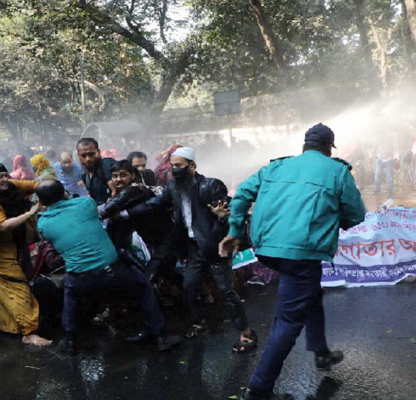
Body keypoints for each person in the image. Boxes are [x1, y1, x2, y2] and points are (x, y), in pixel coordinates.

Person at [220, 123, 366, 400]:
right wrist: (335, 220)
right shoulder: (337, 171)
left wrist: (235, 231)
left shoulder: (276, 167)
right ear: (327, 148)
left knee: (309, 293)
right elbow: (356, 215)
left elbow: (241, 195)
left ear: (304, 146)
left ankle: (322, 353)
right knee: (288, 320)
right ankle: (259, 388)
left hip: (267, 249)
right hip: (301, 253)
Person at [126, 147, 255, 352]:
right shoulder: (173, 188)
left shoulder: (210, 185)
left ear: (192, 165)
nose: (174, 170)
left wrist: (222, 216)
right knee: (189, 286)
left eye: (179, 166)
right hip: (194, 248)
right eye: (172, 166)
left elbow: (233, 215)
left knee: (225, 291)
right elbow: (154, 204)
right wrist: (125, 213)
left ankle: (246, 333)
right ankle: (198, 323)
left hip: (215, 247)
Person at [35, 179, 181, 353]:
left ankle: (69, 340)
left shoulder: (43, 223)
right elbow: (104, 210)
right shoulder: (85, 204)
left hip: (80, 278)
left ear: (41, 202)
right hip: (113, 270)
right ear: (64, 193)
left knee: (70, 295)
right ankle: (159, 336)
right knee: (143, 287)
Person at [0, 162, 51, 346]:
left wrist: (52, 190)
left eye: (6, 175)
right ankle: (29, 332)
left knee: (1, 289)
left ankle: (7, 324)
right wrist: (32, 211)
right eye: (0, 176)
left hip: (11, 243)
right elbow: (2, 225)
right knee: (18, 286)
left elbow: (35, 185)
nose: (5, 180)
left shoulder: (10, 186)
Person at [100, 160, 176, 283]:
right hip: (151, 242)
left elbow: (109, 208)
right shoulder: (120, 194)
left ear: (132, 176)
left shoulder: (136, 190)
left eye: (123, 175)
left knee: (150, 279)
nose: (118, 179)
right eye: (115, 176)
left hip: (165, 240)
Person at [76, 138, 116, 204]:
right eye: (83, 156)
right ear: (78, 155)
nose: (88, 159)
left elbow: (115, 192)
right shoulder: (85, 174)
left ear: (98, 152)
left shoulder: (106, 165)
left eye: (91, 154)